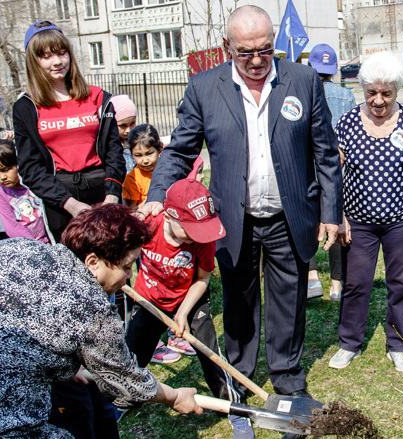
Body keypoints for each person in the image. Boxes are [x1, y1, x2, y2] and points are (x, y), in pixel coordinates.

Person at [136, 6, 343, 438]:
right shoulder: (205, 87)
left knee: (290, 298)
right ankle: (238, 383)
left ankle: (287, 378)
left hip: (290, 213)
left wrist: (330, 213)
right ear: (227, 46)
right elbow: (179, 151)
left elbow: (324, 152)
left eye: (265, 49)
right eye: (245, 51)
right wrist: (157, 196)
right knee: (239, 302)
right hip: (232, 218)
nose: (255, 59)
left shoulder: (301, 81)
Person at [0, 203, 201, 438]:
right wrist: (173, 396)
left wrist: (61, 365)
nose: (129, 276)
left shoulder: (24, 248)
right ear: (93, 262)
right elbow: (127, 383)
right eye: (126, 267)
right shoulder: (92, 309)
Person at [329, 51, 403, 372]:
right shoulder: (347, 123)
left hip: (400, 221)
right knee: (355, 284)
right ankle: (349, 342)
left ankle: (399, 345)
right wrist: (341, 217)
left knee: (401, 285)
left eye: (386, 93)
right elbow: (335, 173)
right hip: (357, 222)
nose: (378, 100)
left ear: (397, 91)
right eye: (371, 92)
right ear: (362, 89)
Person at [125, 179, 240, 402]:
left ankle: (231, 403)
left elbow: (203, 278)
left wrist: (183, 312)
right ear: (168, 216)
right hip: (149, 299)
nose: (196, 236)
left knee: (210, 352)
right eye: (190, 230)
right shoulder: (149, 225)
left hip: (189, 297)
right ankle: (126, 395)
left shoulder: (202, 239)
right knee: (133, 352)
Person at [13, 21, 125, 242]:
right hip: (61, 201)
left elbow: (114, 152)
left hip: (104, 193)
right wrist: (71, 205)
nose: (57, 62)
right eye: (45, 56)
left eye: (61, 53)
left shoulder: (99, 99)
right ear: (33, 61)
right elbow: (30, 168)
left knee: (112, 268)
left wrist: (111, 196)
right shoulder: (26, 107)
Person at [306, 42, 357, 302]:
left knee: (310, 220)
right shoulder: (346, 96)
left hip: (310, 164)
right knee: (336, 219)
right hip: (339, 166)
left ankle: (312, 279)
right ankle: (337, 285)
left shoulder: (303, 89)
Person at [0, 139, 53, 243]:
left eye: (6, 169)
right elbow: (12, 227)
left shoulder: (33, 184)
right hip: (29, 246)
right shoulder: (0, 193)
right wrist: (36, 245)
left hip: (52, 240)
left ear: (18, 164)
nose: (2, 177)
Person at [122, 124, 163, 208]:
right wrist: (152, 199)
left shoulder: (168, 169)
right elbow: (131, 211)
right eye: (138, 155)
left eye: (149, 154)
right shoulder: (132, 179)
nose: (145, 161)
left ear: (160, 149)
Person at [109, 94, 138, 174]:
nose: (128, 130)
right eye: (123, 125)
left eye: (132, 123)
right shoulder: (109, 146)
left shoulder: (138, 140)